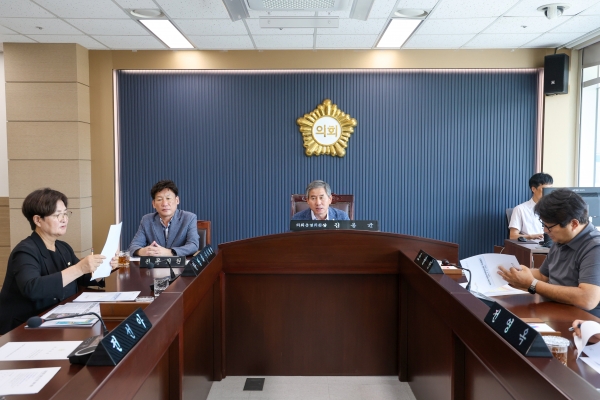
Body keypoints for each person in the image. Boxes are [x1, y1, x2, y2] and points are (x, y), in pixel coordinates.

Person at [0, 188, 109, 334]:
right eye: (58, 215)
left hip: (55, 318)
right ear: (38, 220)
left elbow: (81, 278)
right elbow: (33, 288)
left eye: (65, 213)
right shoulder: (25, 251)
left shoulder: (63, 247)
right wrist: (79, 268)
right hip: (24, 327)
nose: (64, 219)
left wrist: (104, 267)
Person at [499, 189, 600, 317]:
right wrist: (511, 273)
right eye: (544, 225)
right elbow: (543, 275)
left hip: (582, 319)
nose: (545, 230)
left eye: (549, 226)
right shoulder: (561, 239)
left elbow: (587, 299)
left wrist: (532, 284)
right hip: (554, 309)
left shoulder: (594, 247)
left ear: (574, 224)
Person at [128, 180, 199, 257]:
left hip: (180, 263)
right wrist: (143, 251)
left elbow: (193, 245)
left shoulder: (189, 218)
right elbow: (134, 246)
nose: (164, 203)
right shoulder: (147, 220)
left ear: (177, 200)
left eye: (168, 198)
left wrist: (169, 252)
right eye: (159, 199)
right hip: (155, 264)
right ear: (153, 204)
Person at [509, 172, 553, 240]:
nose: (547, 193)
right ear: (533, 189)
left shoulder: (554, 209)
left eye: (550, 190)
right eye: (544, 189)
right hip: (531, 244)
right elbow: (513, 236)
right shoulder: (520, 209)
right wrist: (531, 237)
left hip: (552, 245)